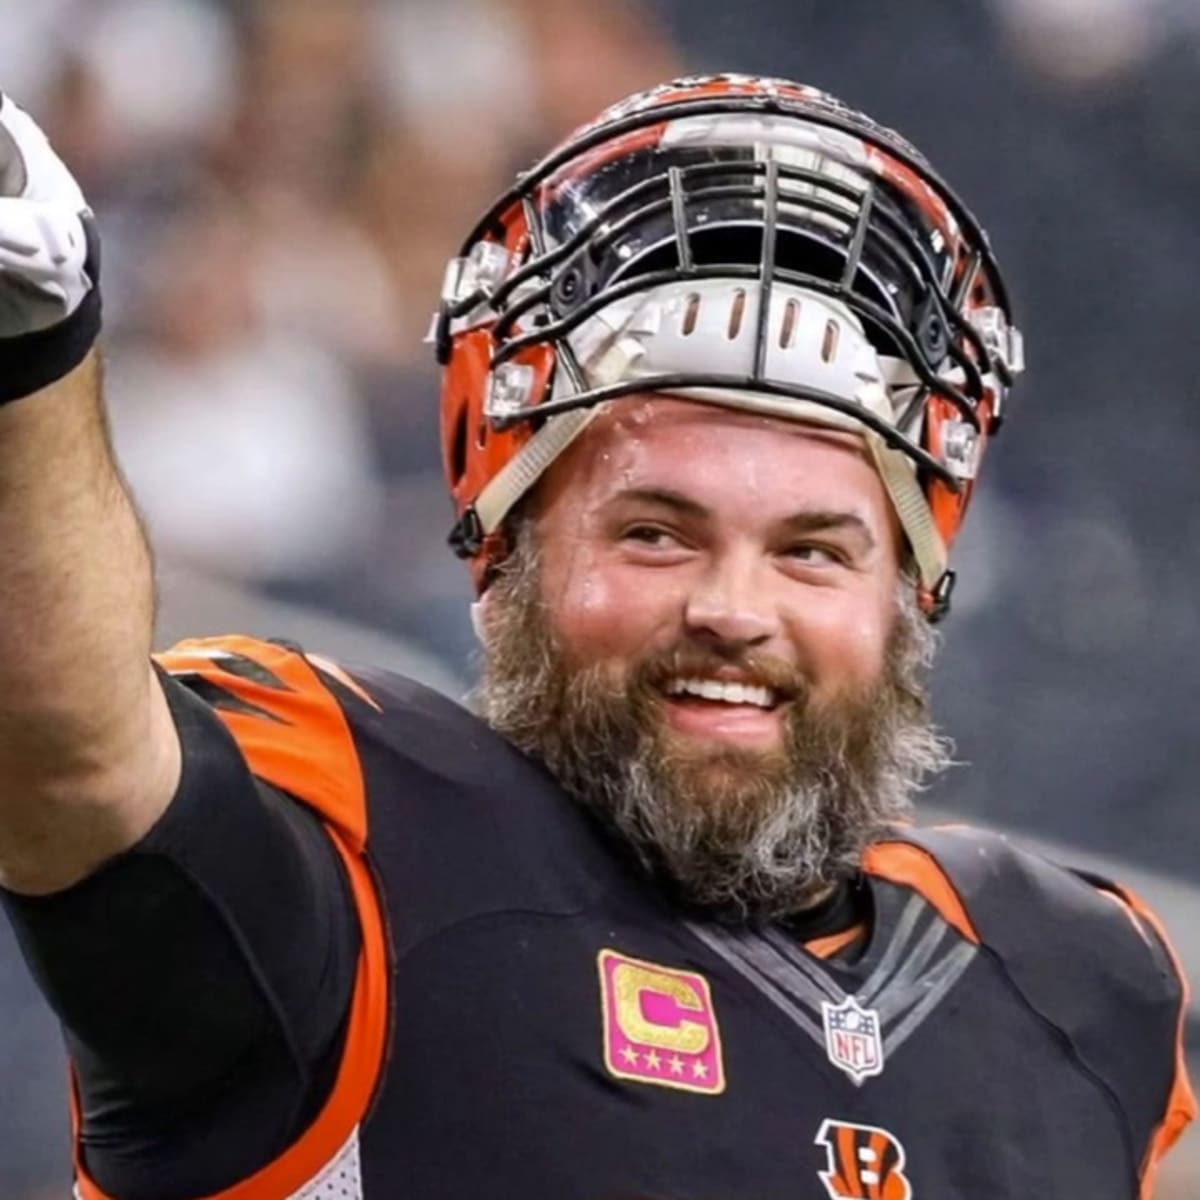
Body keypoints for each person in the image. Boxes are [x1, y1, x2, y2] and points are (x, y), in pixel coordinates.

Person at [0, 74, 1192, 1200]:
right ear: (507, 552)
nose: (735, 608)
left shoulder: (1078, 982)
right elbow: (74, 752)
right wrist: (33, 348)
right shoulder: (358, 857)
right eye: (658, 535)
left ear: (910, 594)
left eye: (812, 551)